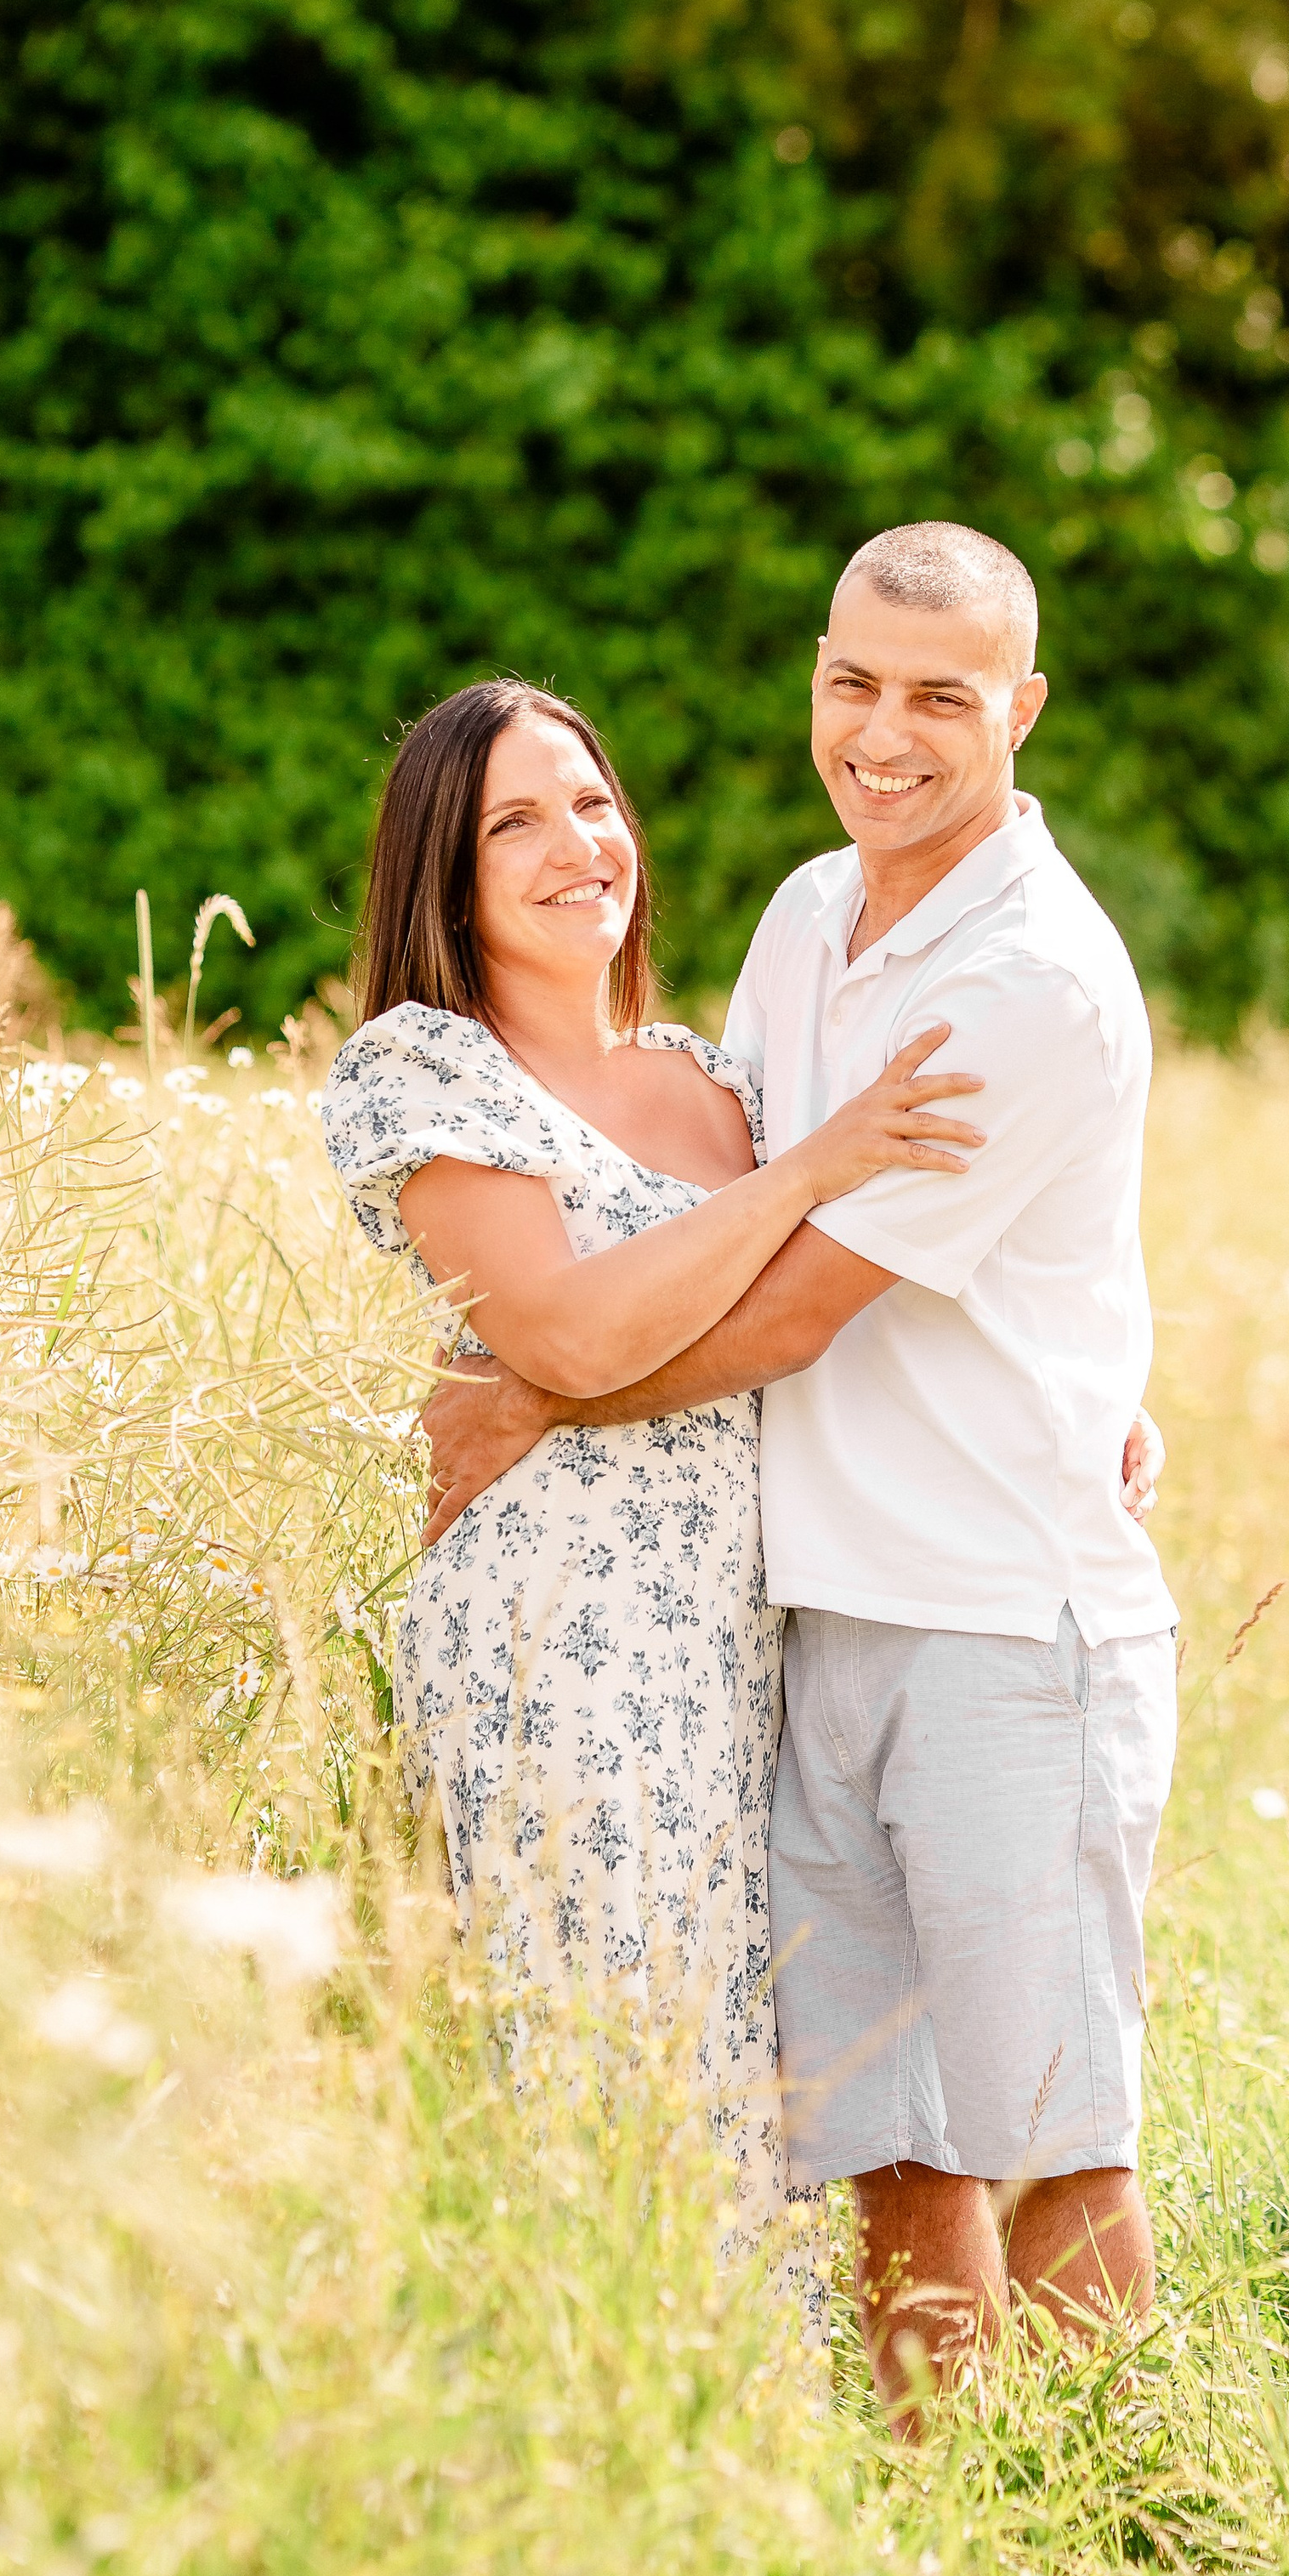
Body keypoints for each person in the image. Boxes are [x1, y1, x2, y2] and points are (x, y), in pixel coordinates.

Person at [420, 525, 1178, 2424]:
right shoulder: (800, 912)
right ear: (815, 677)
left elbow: (785, 1309)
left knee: (1046, 2131)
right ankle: (940, 2518)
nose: (884, 732)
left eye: (940, 696)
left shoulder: (1024, 985)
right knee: (881, 2135)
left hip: (1001, 1620)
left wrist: (539, 1401)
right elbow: (718, 1207)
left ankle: (1128, 2535)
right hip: (801, 1622)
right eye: (853, 681)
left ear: (1018, 709)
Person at [316, 677, 991, 2220]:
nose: (579, 845)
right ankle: (584, 2407)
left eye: (594, 802)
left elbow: (833, 1300)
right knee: (602, 2044)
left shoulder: (718, 1079)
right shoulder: (426, 1069)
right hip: (557, 1637)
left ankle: (753, 2427)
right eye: (517, 822)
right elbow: (561, 1333)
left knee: (761, 2041)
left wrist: (1089, 1407)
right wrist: (809, 1167)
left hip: (751, 1632)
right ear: (449, 871)